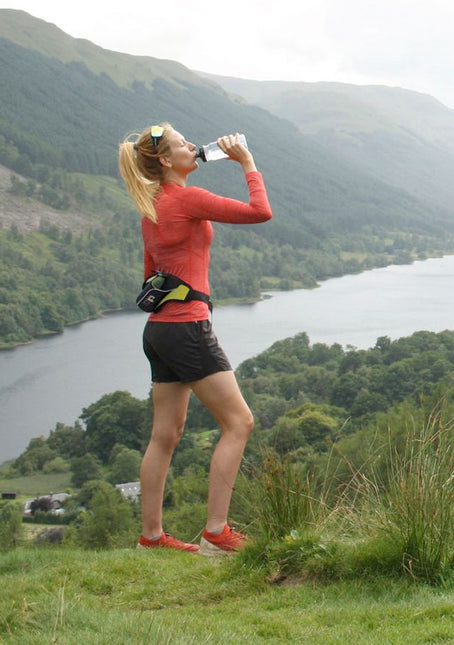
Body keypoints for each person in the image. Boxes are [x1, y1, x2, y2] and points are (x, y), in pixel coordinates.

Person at [117, 123, 272, 555]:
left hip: (159, 331)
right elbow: (260, 211)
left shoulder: (152, 206)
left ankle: (152, 538)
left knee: (164, 435)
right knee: (239, 423)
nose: (193, 146)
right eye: (182, 144)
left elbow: (151, 273)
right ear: (166, 161)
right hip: (187, 327)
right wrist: (248, 163)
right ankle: (216, 534)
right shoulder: (186, 198)